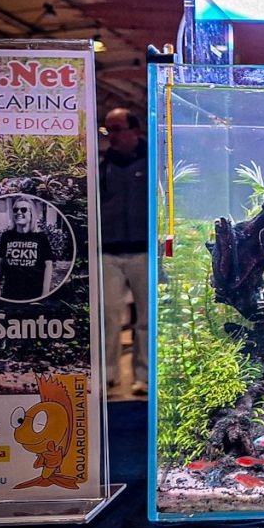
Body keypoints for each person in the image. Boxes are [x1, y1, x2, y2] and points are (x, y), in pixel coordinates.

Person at [99, 107, 149, 396]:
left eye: (117, 129)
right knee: (108, 315)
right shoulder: (101, 167)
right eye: (108, 130)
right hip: (108, 253)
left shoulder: (152, 163)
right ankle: (108, 375)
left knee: (146, 318)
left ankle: (143, 376)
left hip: (144, 252)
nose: (112, 136)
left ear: (135, 130)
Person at [0, 196, 55, 301]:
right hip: (10, 292)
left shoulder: (41, 237)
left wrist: (45, 292)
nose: (18, 212)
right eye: (15, 210)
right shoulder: (6, 236)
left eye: (23, 209)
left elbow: (48, 265)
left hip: (35, 292)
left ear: (31, 214)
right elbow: (1, 262)